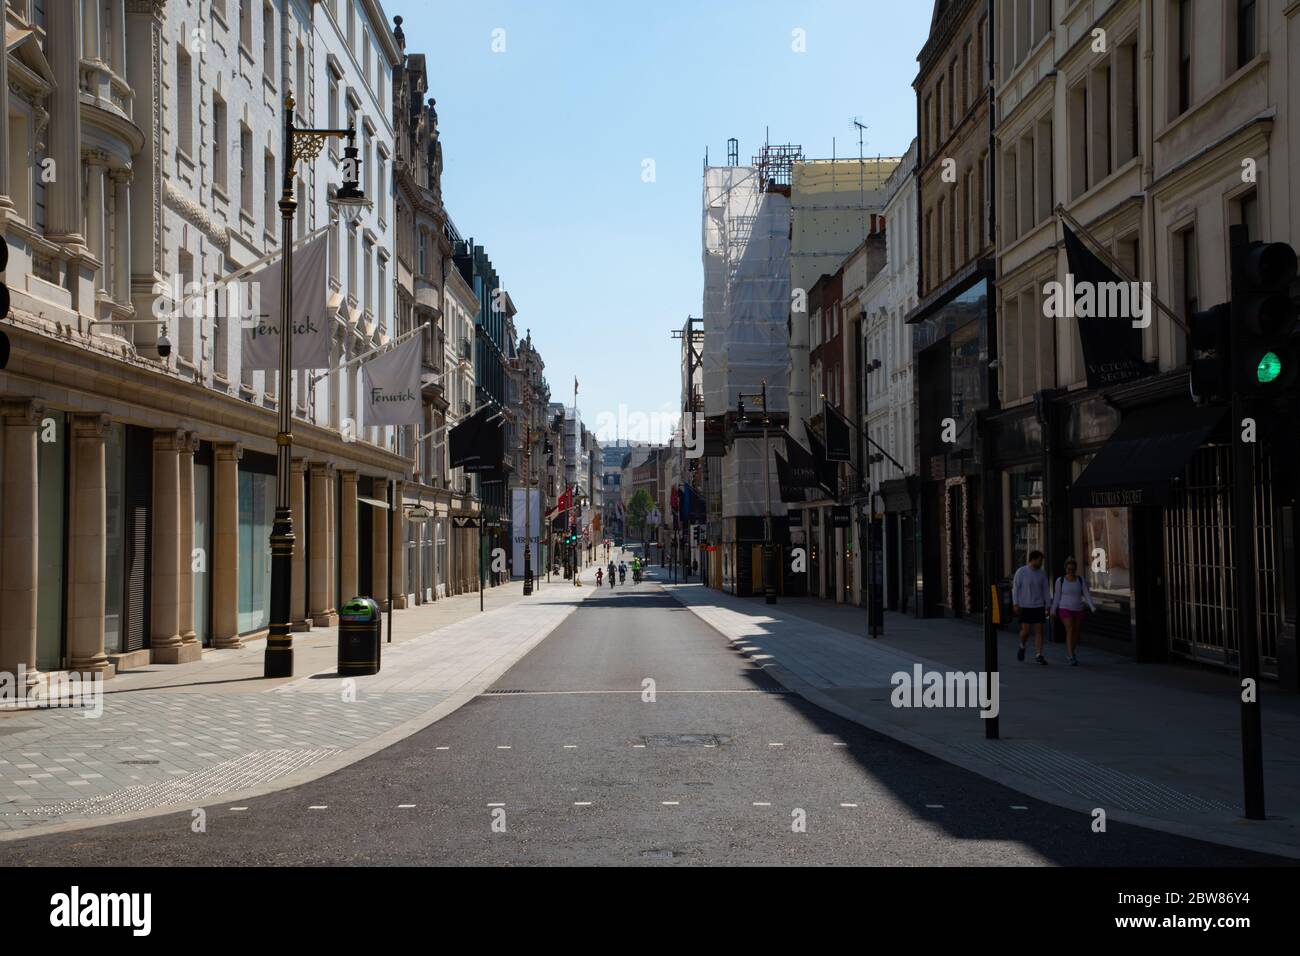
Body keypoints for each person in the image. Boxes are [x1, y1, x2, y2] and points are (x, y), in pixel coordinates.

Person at [1049, 557, 1095, 666]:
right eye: (1069, 569)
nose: (1071, 571)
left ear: (1076, 569)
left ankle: (1071, 652)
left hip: (1078, 608)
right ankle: (1070, 655)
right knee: (1070, 629)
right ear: (1065, 569)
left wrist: (1092, 606)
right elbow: (1056, 596)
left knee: (1076, 632)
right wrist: (1053, 610)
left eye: (1073, 569)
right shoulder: (1060, 581)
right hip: (1064, 608)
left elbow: (1086, 593)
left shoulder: (1080, 580)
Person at [1012, 549, 1051, 665]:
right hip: (1025, 605)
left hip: (1038, 605)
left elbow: (1045, 590)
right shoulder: (1021, 572)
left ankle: (1039, 654)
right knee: (1026, 631)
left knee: (1039, 631)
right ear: (1032, 560)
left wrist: (1048, 604)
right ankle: (1022, 645)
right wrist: (1015, 603)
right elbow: (1015, 588)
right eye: (1039, 561)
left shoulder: (1042, 573)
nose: (1041, 563)